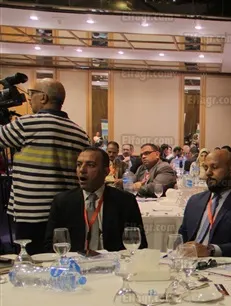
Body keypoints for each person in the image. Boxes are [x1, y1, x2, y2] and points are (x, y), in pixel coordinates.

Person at [0, 78, 89, 254]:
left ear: (43, 97)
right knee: (63, 258)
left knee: (33, 261)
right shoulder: (80, 133)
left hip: (31, 212)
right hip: (66, 211)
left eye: (31, 94)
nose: (29, 99)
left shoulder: (26, 124)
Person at [44, 147, 147, 253]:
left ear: (106, 171)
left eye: (91, 165)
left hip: (114, 261)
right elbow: (50, 244)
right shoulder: (62, 201)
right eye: (79, 164)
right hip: (75, 261)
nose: (82, 170)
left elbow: (139, 244)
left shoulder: (125, 201)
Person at [178, 149, 231, 262]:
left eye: (214, 167)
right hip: (188, 264)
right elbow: (181, 238)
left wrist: (210, 250)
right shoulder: (194, 201)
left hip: (221, 266)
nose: (208, 173)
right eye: (206, 168)